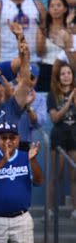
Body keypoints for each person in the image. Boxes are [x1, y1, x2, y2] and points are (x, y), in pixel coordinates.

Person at [46, 63, 75, 219]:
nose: (66, 76)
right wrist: (69, 102)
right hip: (58, 137)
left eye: (69, 73)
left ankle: (75, 210)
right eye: (63, 73)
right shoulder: (52, 95)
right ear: (59, 77)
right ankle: (50, 210)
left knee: (74, 176)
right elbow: (55, 117)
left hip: (74, 138)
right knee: (56, 175)